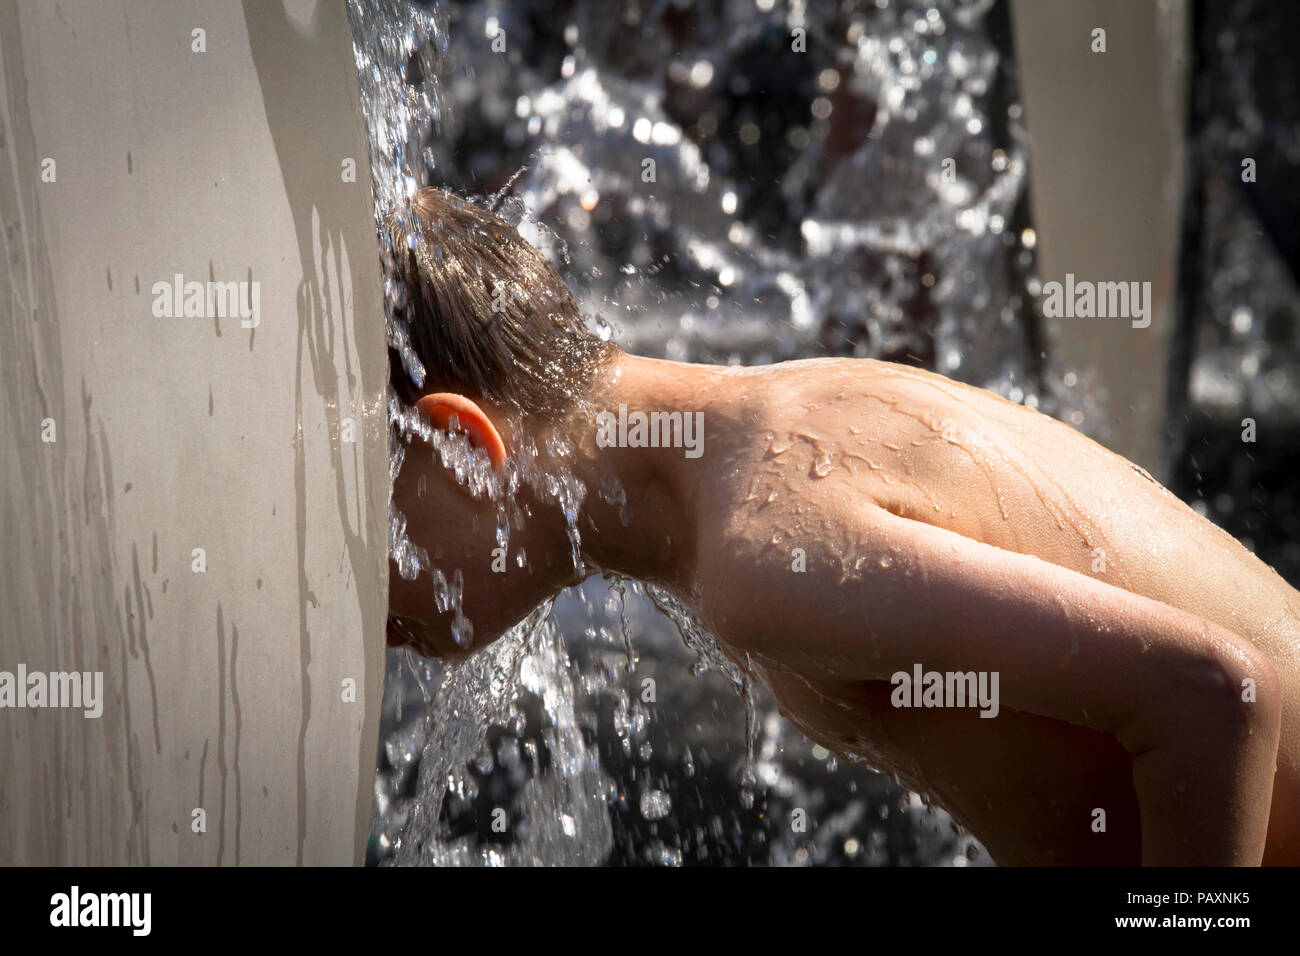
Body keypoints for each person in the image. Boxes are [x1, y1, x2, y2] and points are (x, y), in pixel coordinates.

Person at [385, 187, 1298, 866]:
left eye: (366, 517)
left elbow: (1213, 695)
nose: (362, 606)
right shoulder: (780, 418)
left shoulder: (762, 550)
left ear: (461, 445)